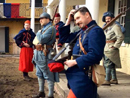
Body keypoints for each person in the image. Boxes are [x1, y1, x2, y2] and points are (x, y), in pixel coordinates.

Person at [58, 7, 106, 98]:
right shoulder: (83, 31)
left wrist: (75, 62)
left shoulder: (95, 31)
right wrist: (68, 20)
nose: (76, 22)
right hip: (78, 74)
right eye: (75, 19)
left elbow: (95, 55)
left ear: (87, 15)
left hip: (84, 75)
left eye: (78, 18)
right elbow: (64, 38)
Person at [32, 12, 59, 98]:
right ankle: (41, 92)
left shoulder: (51, 28)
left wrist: (39, 32)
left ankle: (50, 95)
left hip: (45, 54)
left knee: (48, 74)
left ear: (48, 19)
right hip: (38, 54)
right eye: (40, 19)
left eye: (42, 18)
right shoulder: (44, 29)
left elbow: (42, 39)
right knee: (39, 73)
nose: (40, 20)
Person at [102, 11, 124, 86]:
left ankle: (107, 80)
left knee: (108, 64)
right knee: (110, 64)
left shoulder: (115, 26)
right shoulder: (106, 27)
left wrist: (115, 46)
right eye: (106, 19)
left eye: (109, 18)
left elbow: (120, 37)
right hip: (106, 47)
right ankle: (114, 79)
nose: (107, 20)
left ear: (112, 18)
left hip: (111, 47)